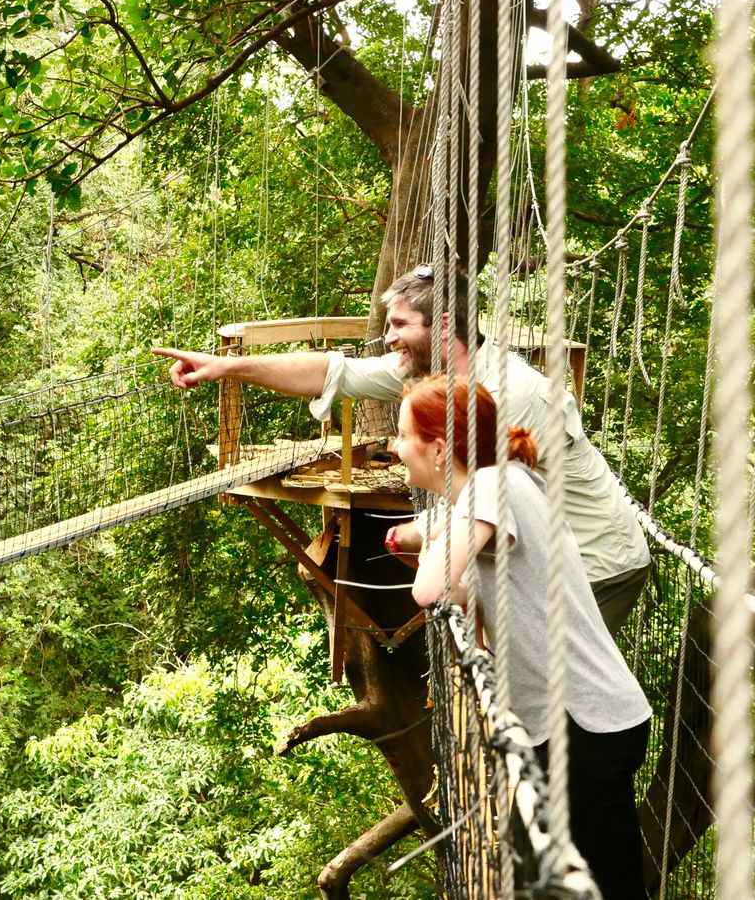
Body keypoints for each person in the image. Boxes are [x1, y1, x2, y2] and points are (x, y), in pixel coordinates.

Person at [152, 264, 652, 635]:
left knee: (541, 702)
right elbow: (331, 373)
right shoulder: (436, 375)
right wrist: (224, 366)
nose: (387, 338)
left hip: (596, 563)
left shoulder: (507, 394)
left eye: (399, 325)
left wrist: (412, 534)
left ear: (444, 325)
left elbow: (495, 500)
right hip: (542, 549)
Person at [397, 375, 651, 900]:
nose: (395, 449)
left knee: (601, 887)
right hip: (573, 725)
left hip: (585, 727)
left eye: (402, 436)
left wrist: (429, 541)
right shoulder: (507, 479)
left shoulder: (494, 486)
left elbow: (429, 589)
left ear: (439, 447)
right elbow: (473, 589)